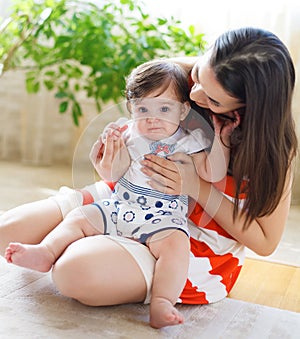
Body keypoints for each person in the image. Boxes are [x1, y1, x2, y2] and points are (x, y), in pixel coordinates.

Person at [0, 27, 297, 329]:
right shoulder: (192, 74)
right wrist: (110, 163)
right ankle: (87, 241)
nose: (193, 94)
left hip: (188, 238)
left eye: (213, 100)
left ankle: (133, 272)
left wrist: (196, 186)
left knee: (73, 272)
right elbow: (139, 119)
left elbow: (265, 242)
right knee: (6, 233)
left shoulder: (271, 150)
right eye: (198, 75)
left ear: (248, 110)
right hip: (129, 194)